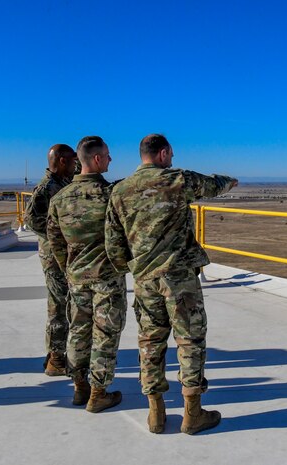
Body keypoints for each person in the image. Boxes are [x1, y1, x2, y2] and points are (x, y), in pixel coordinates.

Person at [105, 134, 237, 434]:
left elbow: (113, 245)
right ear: (163, 154)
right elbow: (214, 185)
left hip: (144, 281)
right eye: (171, 154)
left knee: (150, 343)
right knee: (189, 341)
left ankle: (156, 413)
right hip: (179, 279)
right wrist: (232, 181)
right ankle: (193, 413)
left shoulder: (120, 190)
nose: (173, 159)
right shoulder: (177, 180)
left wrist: (136, 267)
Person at [47, 136, 127, 413]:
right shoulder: (111, 195)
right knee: (105, 334)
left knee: (78, 332)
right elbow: (123, 236)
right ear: (96, 159)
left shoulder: (59, 198)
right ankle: (98, 393)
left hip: (76, 277)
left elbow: (55, 241)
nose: (110, 160)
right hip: (107, 278)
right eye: (107, 155)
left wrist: (69, 268)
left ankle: (79, 387)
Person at [24, 144, 78, 376]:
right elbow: (31, 219)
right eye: (73, 161)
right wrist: (57, 236)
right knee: (58, 305)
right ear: (63, 161)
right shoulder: (47, 187)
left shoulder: (66, 181)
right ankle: (55, 358)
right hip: (53, 257)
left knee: (67, 303)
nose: (77, 165)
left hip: (63, 255)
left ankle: (62, 354)